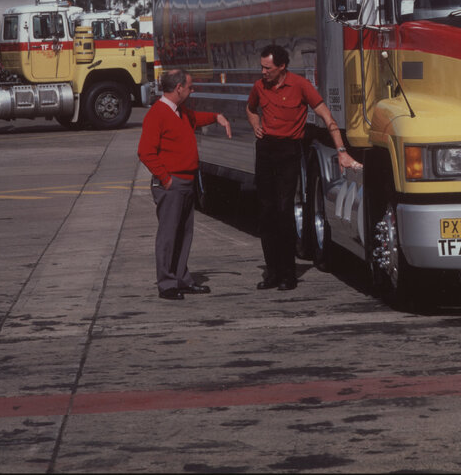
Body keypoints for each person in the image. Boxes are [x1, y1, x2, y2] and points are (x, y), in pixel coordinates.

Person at [246, 44, 361, 291]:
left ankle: (289, 274)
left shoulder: (300, 86)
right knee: (266, 212)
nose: (263, 72)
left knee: (284, 210)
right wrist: (255, 124)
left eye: (267, 68)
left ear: (281, 67)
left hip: (288, 151)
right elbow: (250, 108)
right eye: (262, 67)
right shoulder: (259, 87)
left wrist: (341, 150)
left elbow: (327, 118)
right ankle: (272, 273)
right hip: (265, 151)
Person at [137, 69, 232, 301]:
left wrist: (216, 117)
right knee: (169, 235)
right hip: (172, 183)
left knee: (184, 233)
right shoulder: (158, 114)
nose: (192, 90)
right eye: (190, 87)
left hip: (185, 181)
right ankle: (167, 284)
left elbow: (196, 118)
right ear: (178, 88)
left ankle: (181, 278)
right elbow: (145, 152)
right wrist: (166, 178)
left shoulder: (180, 112)